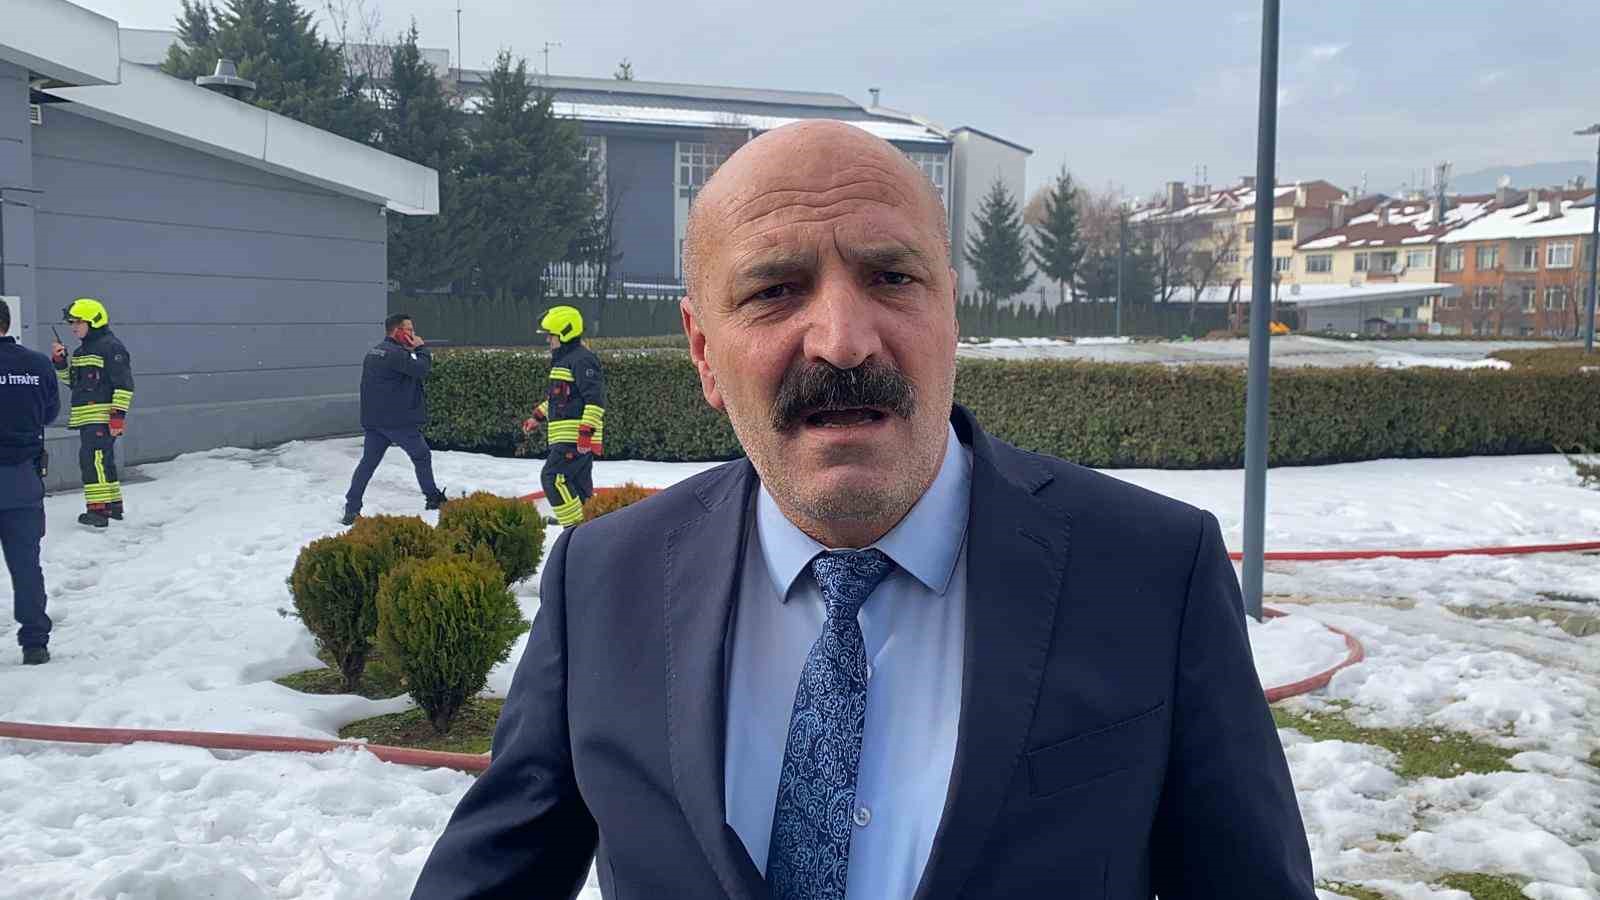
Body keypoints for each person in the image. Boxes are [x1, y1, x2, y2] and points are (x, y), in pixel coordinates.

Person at [412, 122, 1315, 899]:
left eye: (890, 277)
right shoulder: (605, 580)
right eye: (774, 290)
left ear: (951, 312)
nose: (843, 342)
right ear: (702, 350)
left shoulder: (1152, 571)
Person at [341, 313, 448, 525]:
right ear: (397, 331)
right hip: (398, 422)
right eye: (409, 330)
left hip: (375, 421)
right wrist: (421, 347)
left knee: (368, 464)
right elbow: (422, 369)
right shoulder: (395, 354)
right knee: (422, 456)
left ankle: (351, 508)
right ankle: (433, 498)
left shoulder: (374, 352)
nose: (413, 334)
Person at [0, 300, 61, 664]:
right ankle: (35, 643)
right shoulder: (38, 365)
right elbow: (49, 413)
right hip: (22, 478)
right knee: (26, 566)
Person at [51, 298, 133, 529]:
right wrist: (60, 362)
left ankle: (98, 511)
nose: (73, 327)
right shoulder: (81, 351)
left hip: (102, 417)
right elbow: (74, 384)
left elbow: (124, 385)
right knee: (102, 460)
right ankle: (113, 506)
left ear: (94, 321)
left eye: (78, 322)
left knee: (92, 461)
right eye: (71, 323)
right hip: (88, 418)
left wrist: (117, 416)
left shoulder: (111, 347)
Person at [521, 306, 606, 528]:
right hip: (569, 438)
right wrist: (537, 417)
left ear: (565, 334)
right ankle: (591, 531)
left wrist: (586, 433)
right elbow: (559, 399)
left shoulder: (582, 360)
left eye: (551, 334)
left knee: (553, 477)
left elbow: (595, 400)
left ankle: (574, 528)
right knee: (579, 488)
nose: (548, 339)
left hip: (575, 439)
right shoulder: (565, 361)